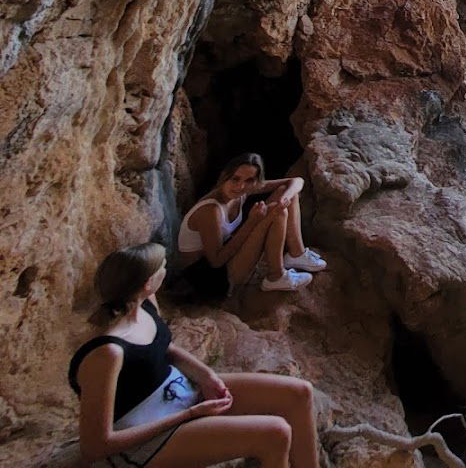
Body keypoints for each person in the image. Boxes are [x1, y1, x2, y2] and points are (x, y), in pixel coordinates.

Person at [70, 243, 320, 467]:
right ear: (147, 283)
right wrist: (189, 415)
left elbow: (164, 350)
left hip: (179, 392)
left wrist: (206, 375)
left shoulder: (145, 303)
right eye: (162, 267)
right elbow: (96, 447)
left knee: (300, 393)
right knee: (275, 434)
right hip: (145, 437)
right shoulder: (107, 352)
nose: (165, 270)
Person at [176, 153, 325, 296]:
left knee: (284, 192)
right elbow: (216, 261)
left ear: (255, 182)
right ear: (224, 176)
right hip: (206, 278)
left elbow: (297, 181)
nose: (241, 186)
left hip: (222, 259)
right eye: (235, 179)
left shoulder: (242, 191)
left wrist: (284, 198)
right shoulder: (210, 210)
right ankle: (276, 276)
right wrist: (252, 222)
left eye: (249, 180)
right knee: (278, 212)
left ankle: (296, 253)